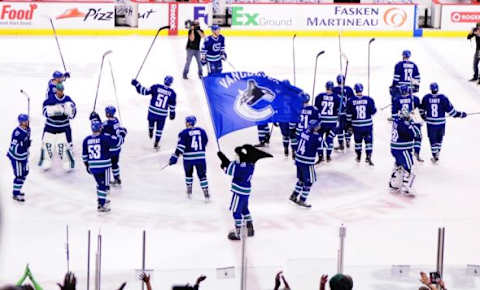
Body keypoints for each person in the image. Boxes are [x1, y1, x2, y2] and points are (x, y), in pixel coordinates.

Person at [217, 144, 272, 240]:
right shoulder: (250, 165)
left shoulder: (241, 166)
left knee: (236, 212)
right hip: (246, 191)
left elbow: (229, 170)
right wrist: (225, 159)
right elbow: (234, 166)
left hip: (238, 191)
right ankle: (250, 226)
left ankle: (238, 232)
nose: (236, 157)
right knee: (244, 209)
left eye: (237, 155)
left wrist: (223, 161)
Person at [82, 121, 126, 212]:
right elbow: (118, 142)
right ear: (101, 128)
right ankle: (101, 205)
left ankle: (101, 200)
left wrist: (87, 166)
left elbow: (85, 156)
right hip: (104, 166)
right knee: (104, 185)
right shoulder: (105, 138)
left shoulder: (86, 140)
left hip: (93, 167)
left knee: (100, 184)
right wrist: (122, 133)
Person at [420, 83, 467, 163]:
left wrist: (424, 117)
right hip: (441, 123)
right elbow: (452, 112)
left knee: (433, 140)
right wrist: (461, 114)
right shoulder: (443, 98)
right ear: (438, 89)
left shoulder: (426, 98)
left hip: (431, 123)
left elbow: (421, 110)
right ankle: (437, 154)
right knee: (439, 139)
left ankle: (435, 156)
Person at [169, 116, 210, 200]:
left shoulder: (184, 132)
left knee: (188, 174)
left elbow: (180, 147)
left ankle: (189, 189)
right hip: (200, 158)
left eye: (186, 121)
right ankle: (205, 191)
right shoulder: (202, 131)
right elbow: (205, 141)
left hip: (188, 159)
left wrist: (175, 157)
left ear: (188, 122)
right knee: (202, 175)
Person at [131, 76, 176, 150]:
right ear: (171, 83)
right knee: (159, 129)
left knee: (151, 123)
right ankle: (156, 142)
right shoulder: (172, 93)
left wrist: (136, 84)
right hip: (162, 114)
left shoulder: (156, 87)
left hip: (152, 112)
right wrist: (172, 114)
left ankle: (151, 131)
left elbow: (144, 91)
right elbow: (172, 105)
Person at [39, 83, 76, 171]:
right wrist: (56, 110)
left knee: (67, 145)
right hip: (50, 127)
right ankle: (45, 161)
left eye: (61, 90)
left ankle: (68, 163)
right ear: (56, 90)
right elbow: (44, 112)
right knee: (47, 144)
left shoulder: (68, 99)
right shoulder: (49, 100)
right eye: (59, 90)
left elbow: (73, 115)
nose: (60, 92)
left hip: (64, 127)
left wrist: (70, 111)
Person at [289, 120, 324, 208]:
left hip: (298, 159)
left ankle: (294, 195)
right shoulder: (317, 137)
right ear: (315, 127)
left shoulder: (303, 131)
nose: (319, 126)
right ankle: (302, 199)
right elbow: (323, 146)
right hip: (307, 162)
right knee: (310, 181)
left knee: (301, 179)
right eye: (318, 125)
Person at [389, 107, 420, 197]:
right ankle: (408, 187)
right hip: (403, 149)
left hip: (395, 148)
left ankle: (395, 184)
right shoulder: (404, 124)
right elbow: (416, 134)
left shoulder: (397, 121)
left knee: (399, 166)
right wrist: (414, 124)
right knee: (410, 167)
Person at [346, 83, 377, 165]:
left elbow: (349, 115)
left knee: (358, 142)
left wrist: (349, 125)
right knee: (369, 142)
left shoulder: (350, 100)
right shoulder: (369, 99)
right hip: (367, 125)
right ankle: (368, 157)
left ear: (355, 90)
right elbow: (373, 112)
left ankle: (358, 156)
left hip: (357, 126)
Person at [391, 85, 424, 162]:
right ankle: (416, 151)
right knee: (418, 136)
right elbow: (420, 109)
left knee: (406, 138)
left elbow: (394, 114)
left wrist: (398, 119)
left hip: (403, 123)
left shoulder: (396, 99)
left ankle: (408, 153)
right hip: (413, 120)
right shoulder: (414, 98)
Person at [314, 81, 341, 163]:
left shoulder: (319, 96)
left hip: (321, 122)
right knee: (330, 139)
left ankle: (320, 156)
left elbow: (316, 109)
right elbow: (340, 109)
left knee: (319, 139)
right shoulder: (337, 97)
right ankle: (328, 156)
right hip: (332, 122)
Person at [7, 114, 31, 202]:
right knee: (19, 176)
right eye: (25, 121)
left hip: (24, 156)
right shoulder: (17, 132)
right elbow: (13, 146)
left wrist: (27, 144)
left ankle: (18, 190)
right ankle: (15, 194)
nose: (27, 122)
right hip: (17, 157)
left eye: (27, 120)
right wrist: (21, 146)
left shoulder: (28, 129)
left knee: (25, 173)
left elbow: (27, 140)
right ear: (21, 122)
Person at [101, 106, 127, 186]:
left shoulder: (106, 124)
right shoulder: (116, 120)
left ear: (108, 114)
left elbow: (99, 130)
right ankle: (117, 178)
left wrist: (94, 118)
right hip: (117, 148)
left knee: (107, 164)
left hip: (110, 149)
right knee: (115, 164)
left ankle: (105, 181)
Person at [390, 50, 420, 118]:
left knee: (397, 100)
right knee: (409, 100)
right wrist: (416, 87)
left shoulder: (399, 64)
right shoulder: (414, 65)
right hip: (410, 88)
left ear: (403, 55)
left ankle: (396, 115)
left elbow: (396, 78)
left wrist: (393, 86)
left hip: (400, 87)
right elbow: (417, 78)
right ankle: (409, 114)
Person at [333, 74, 354, 151]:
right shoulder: (349, 89)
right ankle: (348, 140)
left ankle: (341, 143)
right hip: (348, 112)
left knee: (340, 128)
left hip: (339, 112)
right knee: (348, 126)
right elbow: (353, 99)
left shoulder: (334, 89)